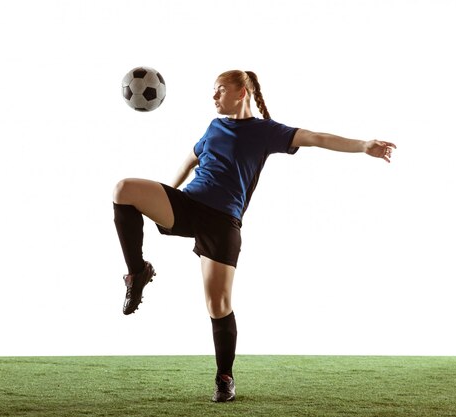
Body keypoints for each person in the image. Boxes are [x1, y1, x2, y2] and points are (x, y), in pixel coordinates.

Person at [112, 70, 396, 402]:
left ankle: (224, 377)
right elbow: (191, 160)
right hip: (188, 205)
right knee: (124, 190)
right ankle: (137, 273)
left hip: (222, 223)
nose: (214, 97)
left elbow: (316, 137)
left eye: (219, 90)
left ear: (241, 92)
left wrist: (364, 146)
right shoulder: (213, 127)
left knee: (217, 305)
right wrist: (165, 197)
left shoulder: (265, 132)